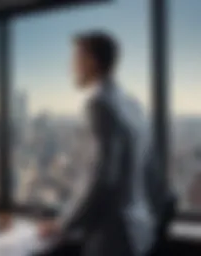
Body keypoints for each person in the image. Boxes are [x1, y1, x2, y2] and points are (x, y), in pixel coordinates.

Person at [38, 31, 174, 256]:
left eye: (75, 60)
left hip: (112, 236)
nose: (71, 67)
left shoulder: (98, 104)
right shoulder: (131, 103)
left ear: (91, 62)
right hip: (141, 231)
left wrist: (63, 224)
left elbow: (102, 178)